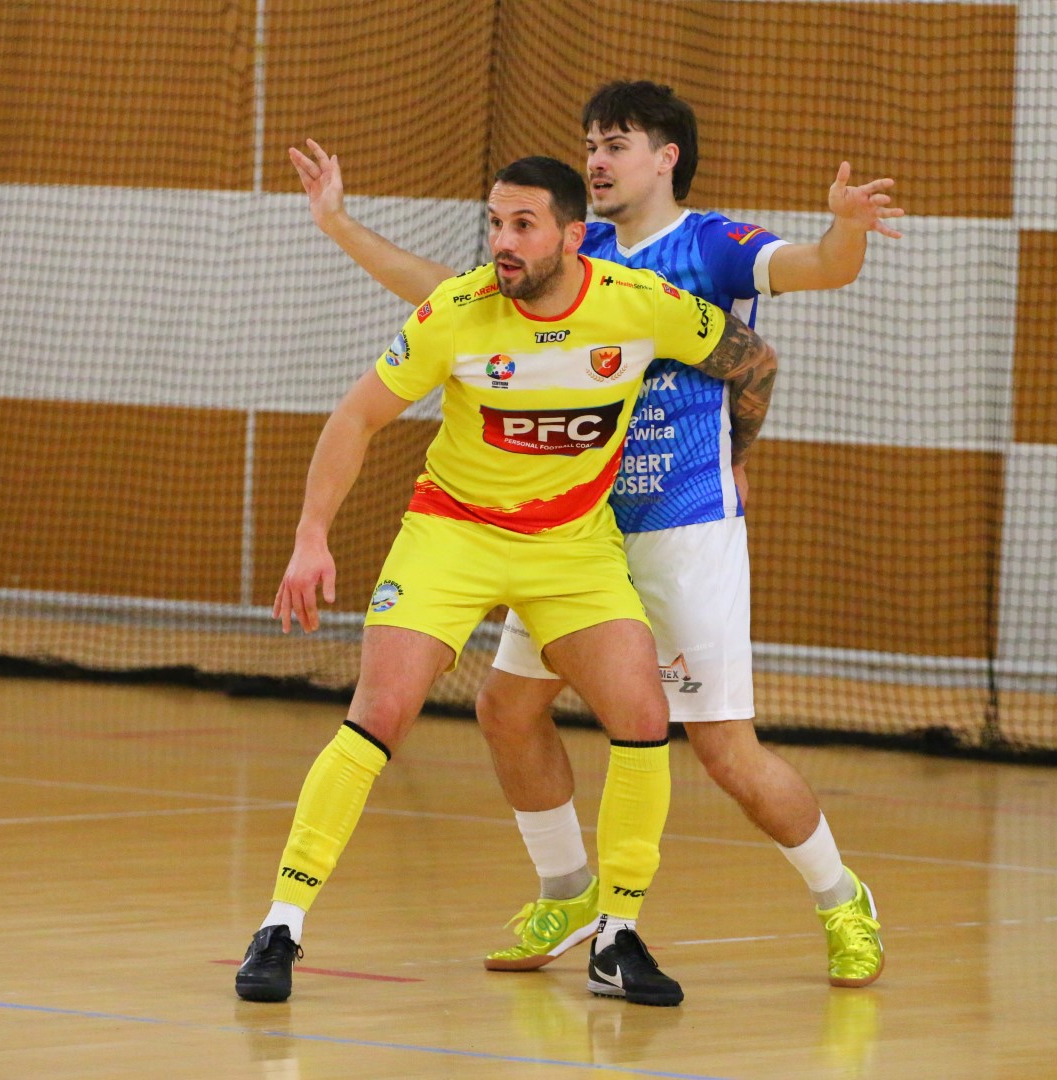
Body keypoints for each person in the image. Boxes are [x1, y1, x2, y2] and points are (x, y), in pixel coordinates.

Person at [289, 80, 901, 987]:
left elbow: (812, 278)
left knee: (723, 750)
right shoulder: (577, 245)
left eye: (616, 144)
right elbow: (448, 299)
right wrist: (339, 225)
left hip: (685, 530)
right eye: (589, 145)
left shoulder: (712, 245)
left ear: (666, 158)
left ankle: (841, 897)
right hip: (580, 534)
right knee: (507, 710)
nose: (597, 160)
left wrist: (843, 234)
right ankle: (569, 891)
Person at [236, 155, 782, 1008]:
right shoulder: (457, 311)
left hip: (571, 546)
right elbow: (357, 415)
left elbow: (753, 361)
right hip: (453, 534)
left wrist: (733, 457)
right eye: (495, 223)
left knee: (644, 716)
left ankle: (617, 938)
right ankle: (281, 925)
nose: (503, 242)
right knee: (380, 713)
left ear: (573, 235)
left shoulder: (640, 304)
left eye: (522, 225)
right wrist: (311, 537)